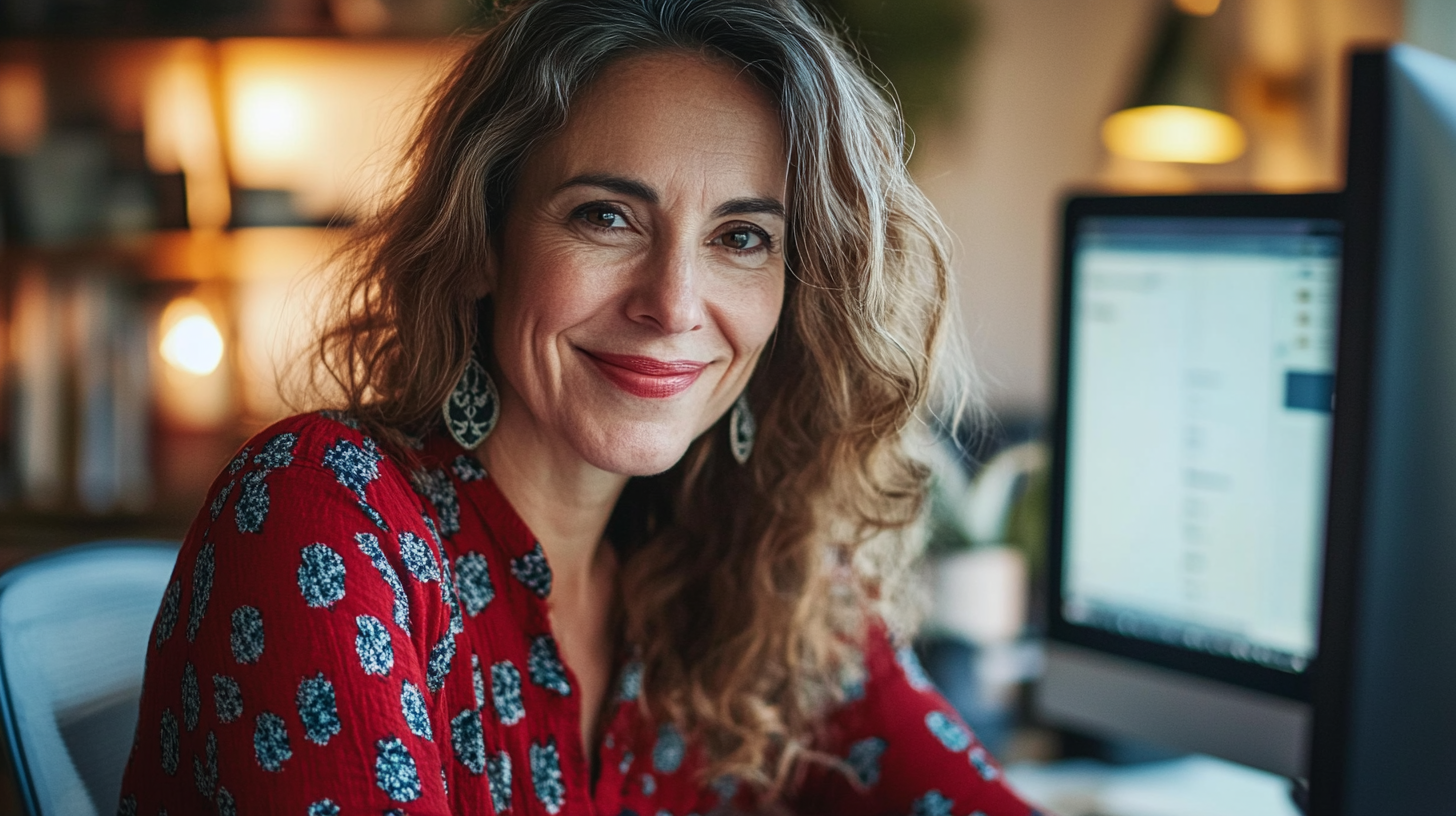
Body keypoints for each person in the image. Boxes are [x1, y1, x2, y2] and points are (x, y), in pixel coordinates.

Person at [118, 1, 1038, 813]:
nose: (674, 303)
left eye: (743, 237)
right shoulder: (322, 513)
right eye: (607, 216)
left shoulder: (764, 566)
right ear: (482, 238)